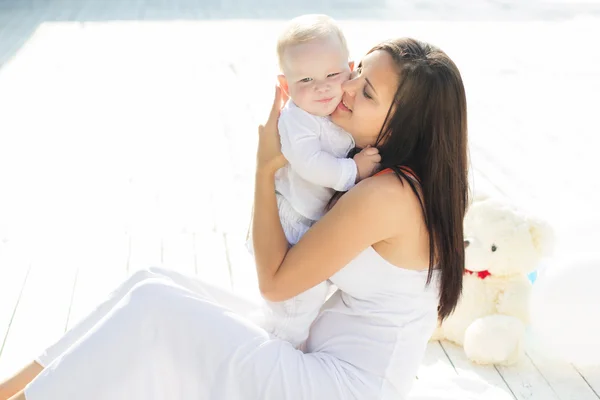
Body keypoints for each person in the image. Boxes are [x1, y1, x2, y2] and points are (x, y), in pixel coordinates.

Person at [0, 37, 468, 400]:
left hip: (339, 387)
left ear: (405, 124)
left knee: (157, 307)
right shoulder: (389, 172)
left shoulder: (387, 195)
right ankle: (12, 390)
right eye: (356, 71)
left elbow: (277, 282)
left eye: (365, 92)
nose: (343, 88)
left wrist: (266, 171)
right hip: (316, 359)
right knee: (152, 279)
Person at [246, 14, 381, 348]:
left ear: (350, 70)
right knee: (295, 304)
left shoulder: (335, 106)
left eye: (332, 75)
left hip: (314, 219)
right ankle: (278, 350)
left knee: (310, 297)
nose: (321, 87)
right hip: (291, 222)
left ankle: (281, 337)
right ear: (285, 86)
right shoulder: (297, 118)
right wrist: (354, 171)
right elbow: (310, 164)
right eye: (305, 80)